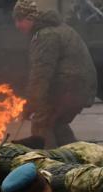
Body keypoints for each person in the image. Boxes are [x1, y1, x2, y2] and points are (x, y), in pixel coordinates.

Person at [13, 0, 97, 148]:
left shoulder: (45, 35)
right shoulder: (57, 29)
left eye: (20, 20)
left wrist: (30, 105)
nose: (17, 26)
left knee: (42, 122)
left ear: (30, 18)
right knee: (56, 123)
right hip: (79, 87)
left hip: (69, 87)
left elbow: (41, 74)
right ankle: (76, 157)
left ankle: (49, 163)